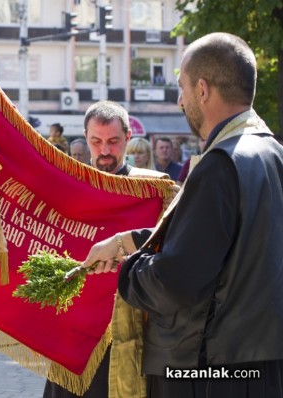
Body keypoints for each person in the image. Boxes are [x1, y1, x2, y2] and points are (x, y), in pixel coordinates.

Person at [82, 32, 283, 398]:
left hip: (207, 372)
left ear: (202, 90)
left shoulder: (219, 163)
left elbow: (176, 281)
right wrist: (126, 241)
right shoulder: (271, 152)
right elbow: (216, 241)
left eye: (182, 88)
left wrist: (129, 270)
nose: (179, 100)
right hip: (258, 364)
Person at [43, 100, 170, 398]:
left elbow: (171, 251)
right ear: (86, 138)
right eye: (96, 142)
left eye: (113, 141)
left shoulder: (153, 190)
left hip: (129, 325)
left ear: (127, 137)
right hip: (74, 329)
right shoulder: (69, 187)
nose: (105, 151)